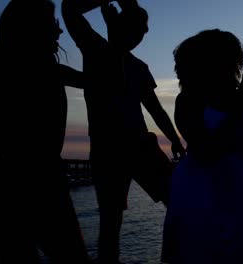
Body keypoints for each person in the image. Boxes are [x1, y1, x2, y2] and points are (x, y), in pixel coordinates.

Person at [62, 0, 185, 263]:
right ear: (119, 27)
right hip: (108, 149)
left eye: (143, 31)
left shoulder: (138, 66)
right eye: (138, 29)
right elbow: (69, 8)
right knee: (110, 221)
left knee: (177, 202)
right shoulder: (95, 48)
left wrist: (174, 138)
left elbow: (154, 109)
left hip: (141, 145)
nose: (141, 36)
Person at [0, 0, 89, 263]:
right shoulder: (47, 69)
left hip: (8, 178)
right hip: (43, 178)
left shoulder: (6, 66)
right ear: (31, 29)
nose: (58, 33)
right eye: (53, 25)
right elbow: (107, 82)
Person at [161, 29, 243, 264]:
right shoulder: (188, 100)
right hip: (198, 187)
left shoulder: (242, 99)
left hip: (236, 184)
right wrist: (241, 106)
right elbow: (205, 150)